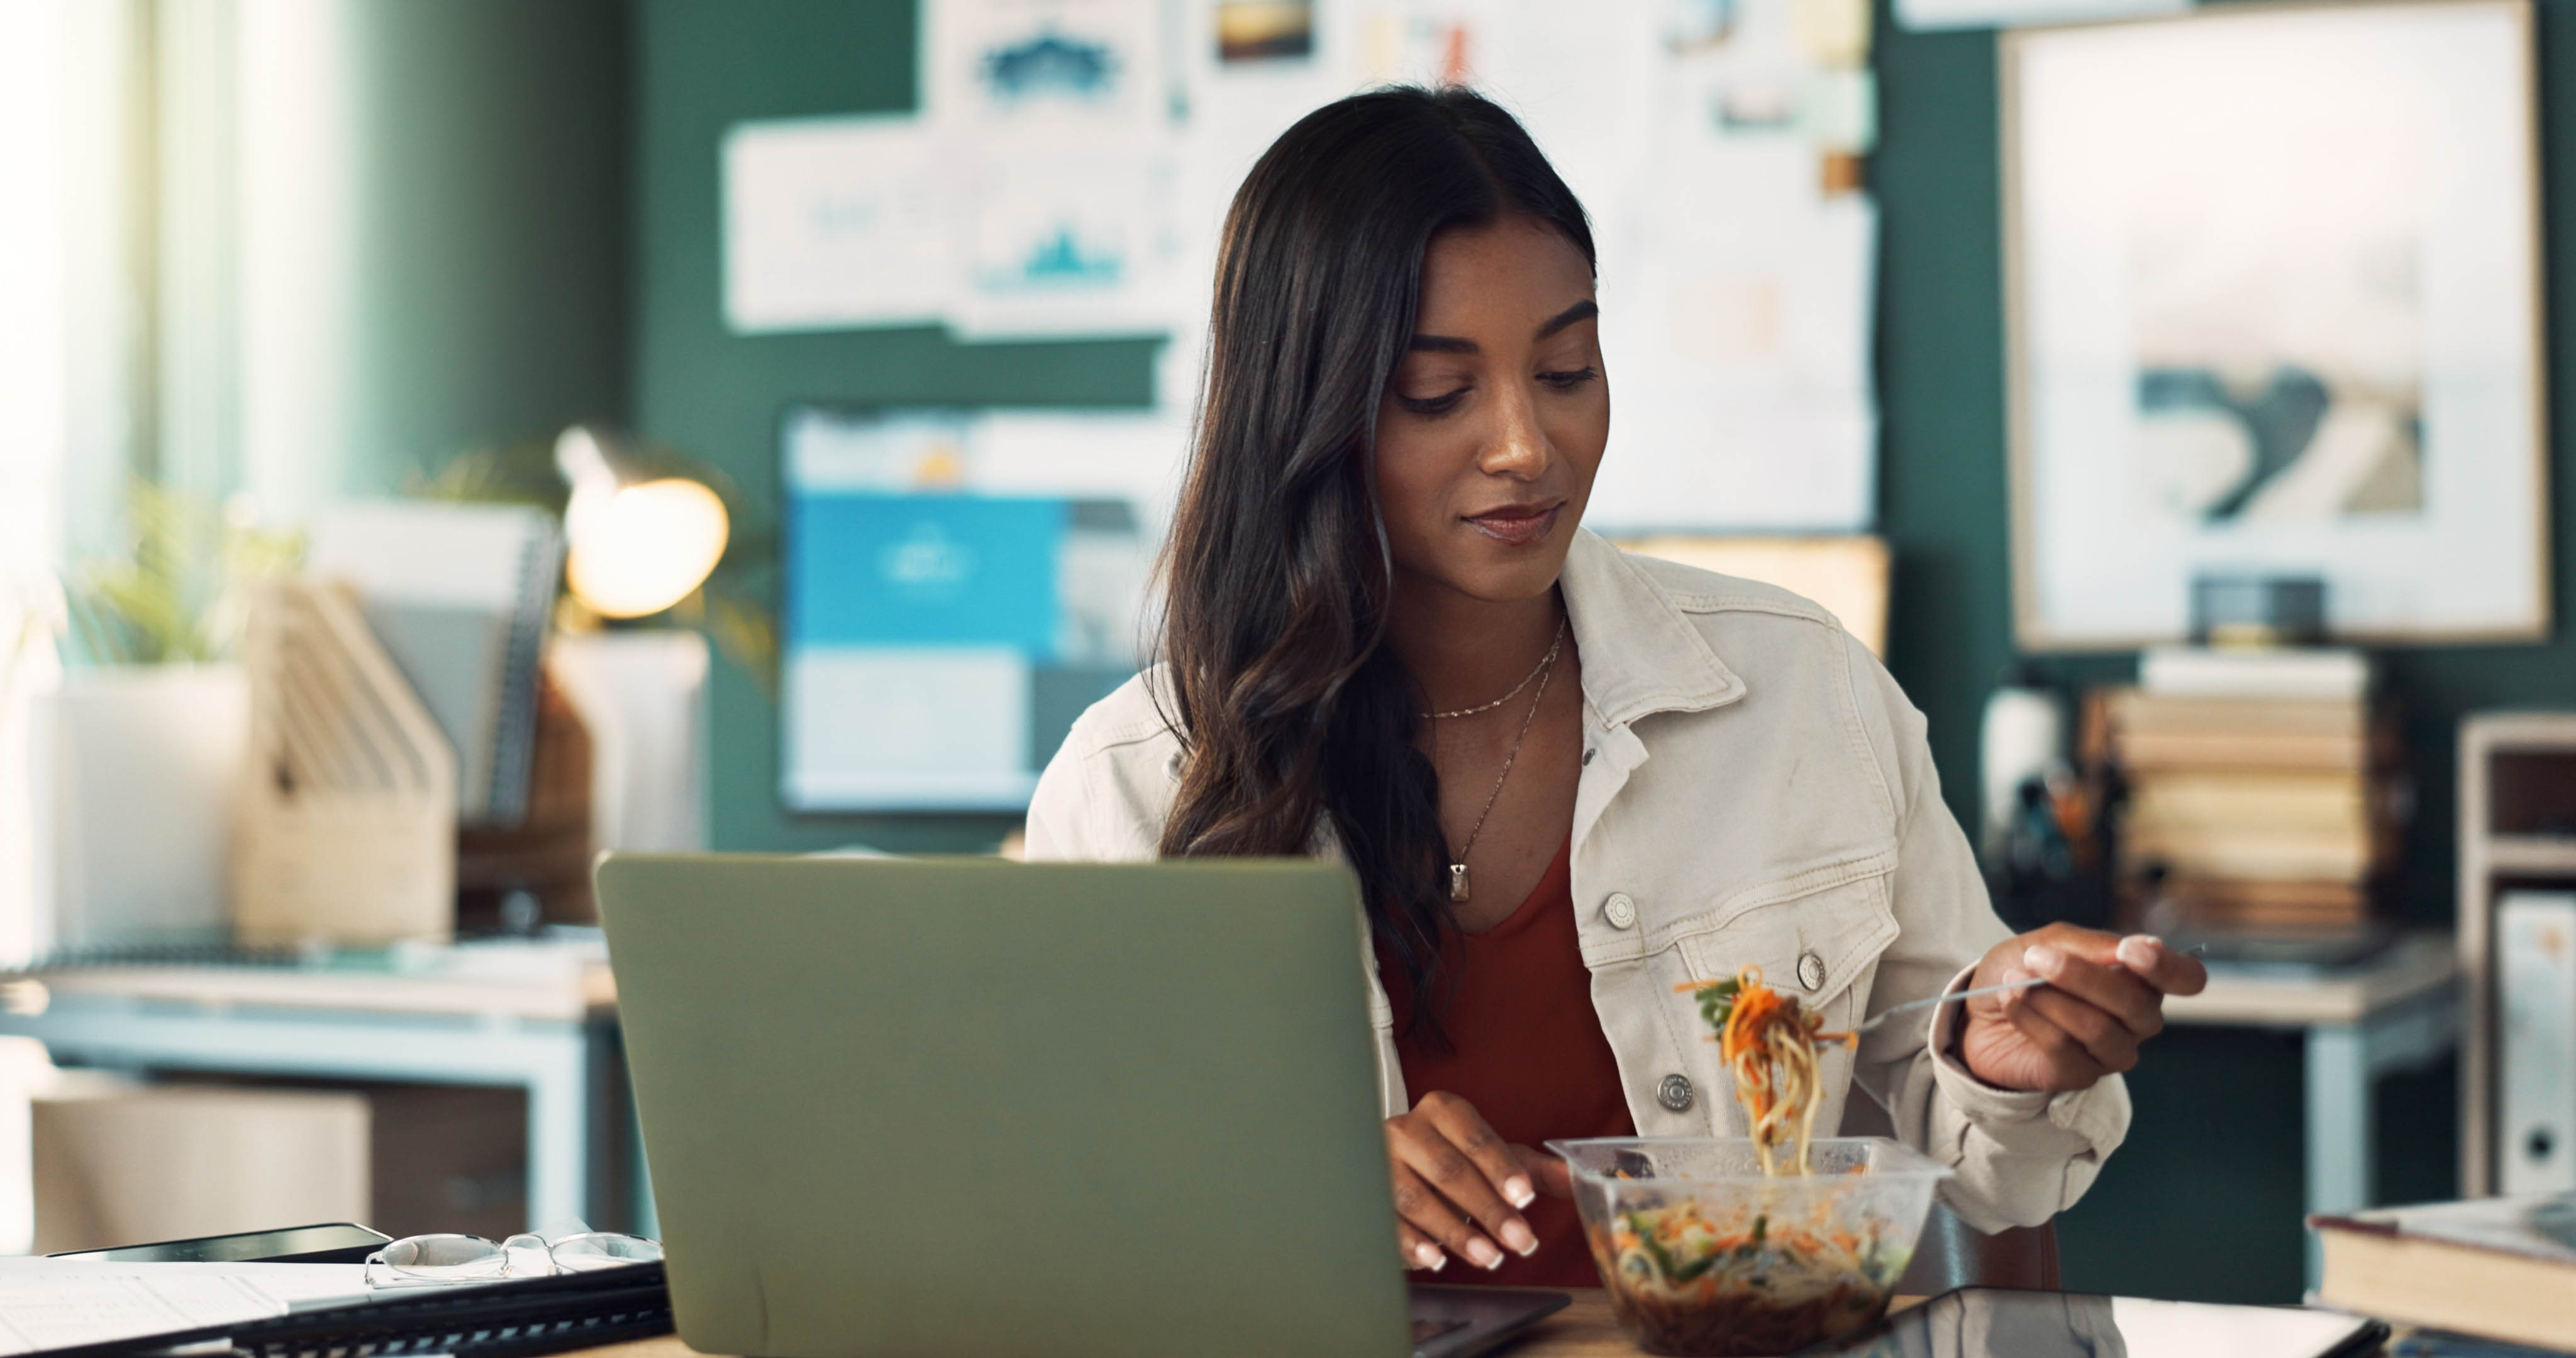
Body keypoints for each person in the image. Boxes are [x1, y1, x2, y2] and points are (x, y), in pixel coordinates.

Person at [1024, 86, 2206, 1288]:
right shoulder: (1136, 786)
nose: (1526, 445)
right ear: (1307, 412)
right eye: (1440, 394)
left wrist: (1992, 1059)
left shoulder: (1802, 690)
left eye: (1567, 369)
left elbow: (1979, 1175)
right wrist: (1298, 1186)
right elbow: (1078, 1231)